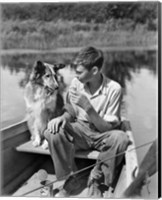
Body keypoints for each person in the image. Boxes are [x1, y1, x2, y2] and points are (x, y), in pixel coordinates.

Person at [44, 46, 129, 197]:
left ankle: (97, 179)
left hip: (103, 134)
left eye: (79, 71)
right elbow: (71, 110)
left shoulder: (114, 89)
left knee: (121, 138)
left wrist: (88, 108)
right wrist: (62, 118)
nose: (75, 75)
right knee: (52, 132)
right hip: (80, 130)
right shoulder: (76, 83)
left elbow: (107, 129)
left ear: (94, 71)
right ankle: (72, 177)